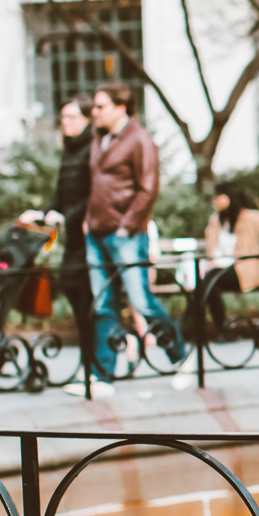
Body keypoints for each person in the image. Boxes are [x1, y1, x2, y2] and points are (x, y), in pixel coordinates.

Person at [83, 83, 185, 384]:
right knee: (103, 304)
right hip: (96, 233)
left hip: (124, 233)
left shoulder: (140, 139)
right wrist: (89, 220)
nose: (95, 112)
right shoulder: (98, 138)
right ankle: (102, 376)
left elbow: (148, 189)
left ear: (121, 107)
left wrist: (127, 226)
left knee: (141, 302)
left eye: (101, 106)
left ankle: (180, 356)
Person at [33, 97, 97, 358]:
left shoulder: (93, 147)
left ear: (87, 119)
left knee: (86, 295)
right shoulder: (70, 149)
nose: (64, 123)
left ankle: (96, 358)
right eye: (62, 117)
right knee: (71, 287)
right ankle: (95, 356)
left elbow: (93, 194)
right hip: (72, 234)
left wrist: (65, 216)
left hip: (87, 234)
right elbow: (62, 193)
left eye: (70, 117)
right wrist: (44, 213)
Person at [199, 181, 259, 336]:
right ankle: (224, 330)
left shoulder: (252, 217)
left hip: (244, 269)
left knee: (209, 280)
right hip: (220, 270)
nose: (215, 200)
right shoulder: (215, 219)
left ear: (230, 197)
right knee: (209, 284)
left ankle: (196, 325)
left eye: (218, 196)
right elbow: (213, 249)